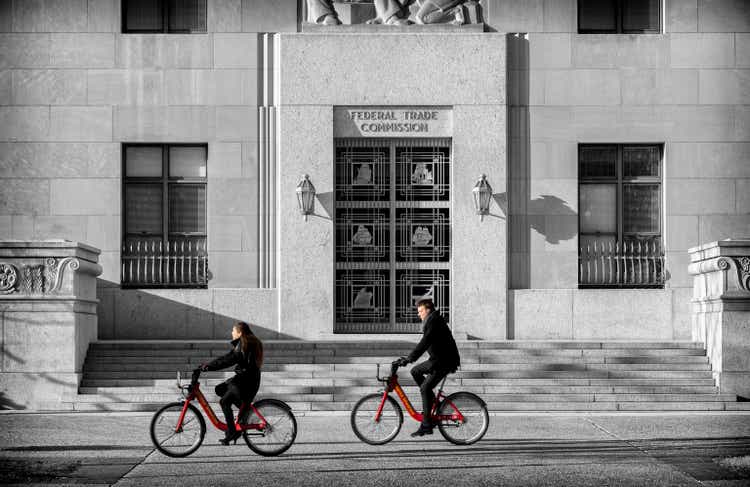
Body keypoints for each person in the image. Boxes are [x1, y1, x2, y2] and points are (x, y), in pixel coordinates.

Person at [397, 298, 460, 437]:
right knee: (415, 371)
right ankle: (434, 405)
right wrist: (410, 359)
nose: (418, 314)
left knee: (425, 387)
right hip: (438, 360)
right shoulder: (431, 320)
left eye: (420, 311)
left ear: (428, 310)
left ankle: (426, 424)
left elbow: (425, 342)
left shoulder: (434, 321)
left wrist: (410, 358)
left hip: (445, 361)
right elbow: (426, 342)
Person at [196, 322, 263, 445]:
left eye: (233, 331)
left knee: (224, 401)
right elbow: (226, 357)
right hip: (245, 379)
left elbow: (228, 361)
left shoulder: (244, 344)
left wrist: (208, 367)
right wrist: (208, 365)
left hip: (246, 381)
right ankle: (245, 413)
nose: (232, 333)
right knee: (220, 389)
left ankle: (232, 431)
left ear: (240, 333)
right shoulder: (243, 344)